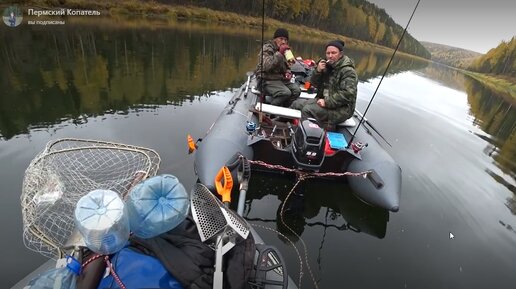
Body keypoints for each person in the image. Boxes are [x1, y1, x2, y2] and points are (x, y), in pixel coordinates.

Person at [290, 40, 358, 130]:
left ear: (340, 54)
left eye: (334, 53)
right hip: (325, 101)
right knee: (296, 104)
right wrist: (318, 71)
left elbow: (348, 94)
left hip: (342, 109)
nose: (330, 56)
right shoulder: (328, 66)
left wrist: (327, 102)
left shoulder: (348, 71)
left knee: (307, 110)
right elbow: (313, 84)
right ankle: (283, 122)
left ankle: (309, 135)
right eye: (328, 53)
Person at [255, 28, 300, 107]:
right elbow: (266, 66)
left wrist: (288, 71)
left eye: (285, 40)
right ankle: (269, 112)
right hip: (265, 79)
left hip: (278, 79)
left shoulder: (285, 51)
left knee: (296, 91)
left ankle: (283, 110)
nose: (283, 42)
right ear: (275, 39)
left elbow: (287, 66)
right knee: (285, 93)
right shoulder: (267, 48)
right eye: (281, 39)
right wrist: (279, 53)